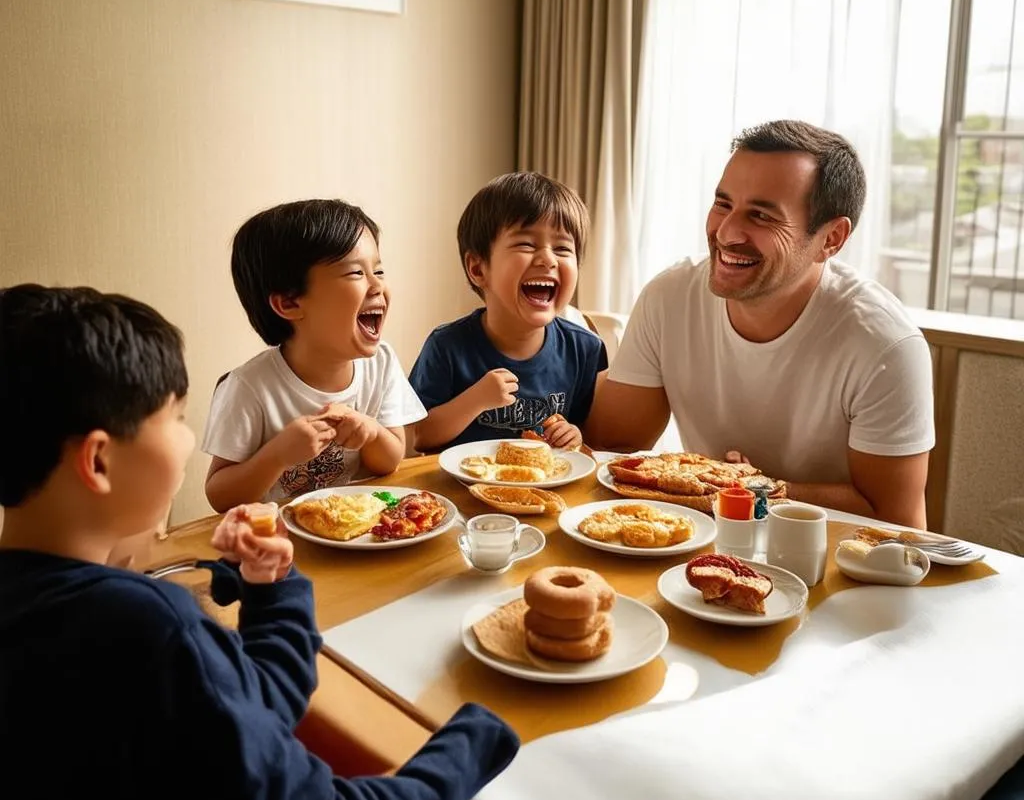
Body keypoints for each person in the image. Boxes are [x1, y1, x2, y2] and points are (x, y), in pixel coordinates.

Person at [0, 284, 531, 800]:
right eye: (175, 418)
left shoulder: (60, 611)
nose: (188, 438)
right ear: (98, 461)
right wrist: (484, 731)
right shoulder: (149, 627)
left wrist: (272, 588)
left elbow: (243, 710)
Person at [586, 120, 935, 528]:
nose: (727, 232)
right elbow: (613, 445)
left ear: (831, 239)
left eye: (762, 216)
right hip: (707, 542)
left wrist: (759, 489)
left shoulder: (886, 344)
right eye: (723, 204)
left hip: (830, 563)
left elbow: (894, 520)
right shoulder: (669, 297)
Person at [203, 200, 425, 512]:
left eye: (378, 270)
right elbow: (220, 496)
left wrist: (370, 432)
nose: (378, 285)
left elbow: (391, 461)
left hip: (358, 533)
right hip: (280, 545)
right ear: (289, 304)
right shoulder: (249, 388)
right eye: (355, 273)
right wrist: (278, 455)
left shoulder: (381, 362)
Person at [410, 171, 607, 453]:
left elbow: (593, 435)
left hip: (547, 491)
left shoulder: (584, 349)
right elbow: (417, 436)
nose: (549, 259)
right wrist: (474, 400)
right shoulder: (446, 346)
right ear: (478, 268)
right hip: (459, 493)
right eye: (526, 244)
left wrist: (574, 434)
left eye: (563, 248)